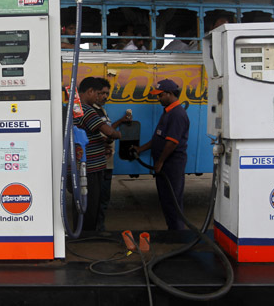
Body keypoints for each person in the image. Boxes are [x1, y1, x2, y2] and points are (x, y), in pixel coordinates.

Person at [133, 79, 189, 230]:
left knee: (173, 201)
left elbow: (172, 142)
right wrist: (140, 149)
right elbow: (158, 139)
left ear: (170, 94)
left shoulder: (177, 114)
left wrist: (160, 162)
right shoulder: (168, 112)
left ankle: (178, 235)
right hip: (165, 165)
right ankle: (173, 230)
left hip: (172, 165)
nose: (158, 99)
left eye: (160, 95)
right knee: (166, 200)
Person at [74, 77, 122, 231]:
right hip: (91, 167)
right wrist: (118, 134)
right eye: (98, 94)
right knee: (91, 204)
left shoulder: (74, 107)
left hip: (82, 164)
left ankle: (81, 231)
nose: (98, 97)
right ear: (90, 91)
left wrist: (102, 144)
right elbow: (108, 131)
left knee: (81, 203)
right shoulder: (87, 109)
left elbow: (86, 134)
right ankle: (88, 236)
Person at [93, 77, 132, 231]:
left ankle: (98, 227)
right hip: (100, 163)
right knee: (100, 199)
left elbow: (106, 127)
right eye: (101, 93)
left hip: (107, 163)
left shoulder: (101, 109)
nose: (105, 96)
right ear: (93, 93)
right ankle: (98, 229)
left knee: (104, 198)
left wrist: (120, 121)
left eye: (106, 93)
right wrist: (112, 137)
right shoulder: (92, 111)